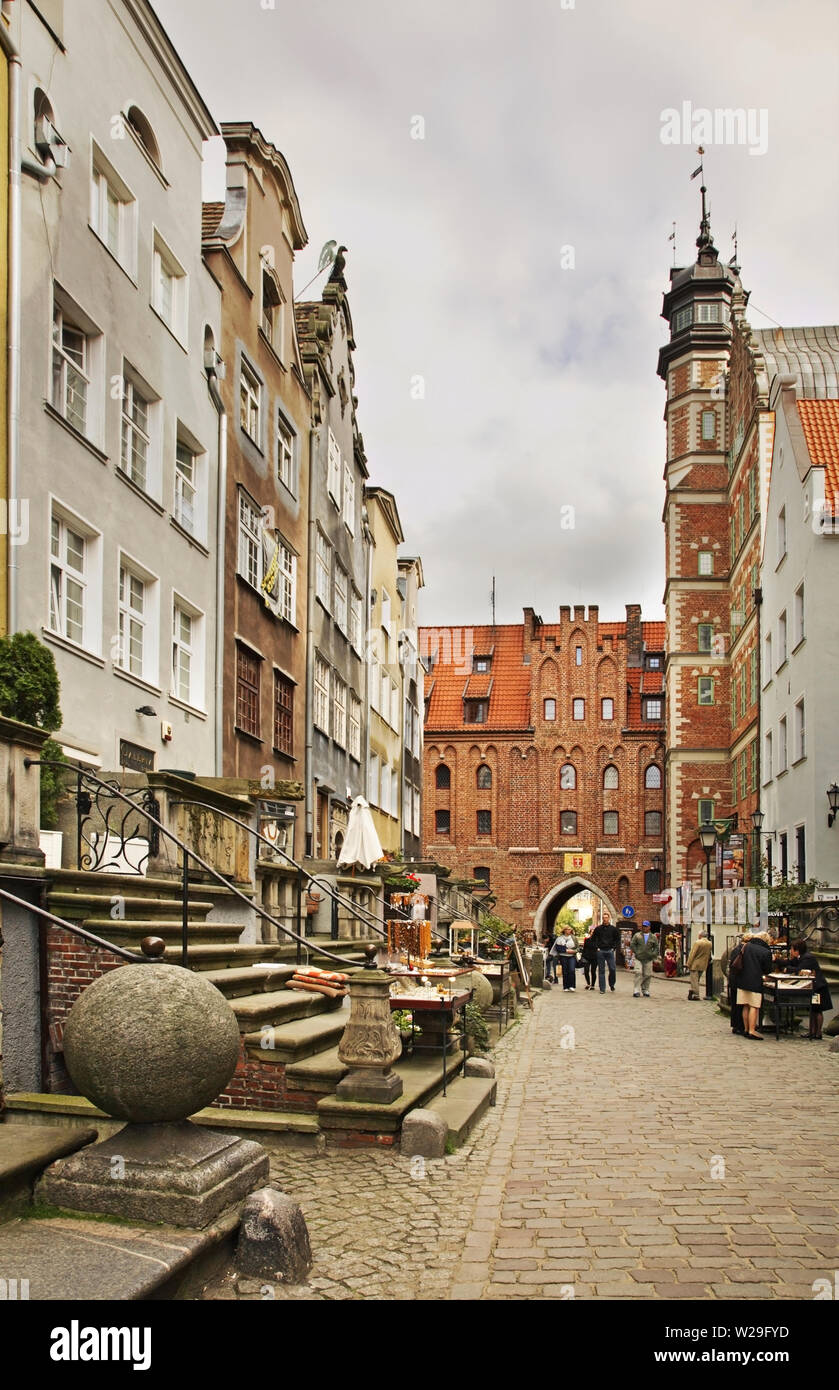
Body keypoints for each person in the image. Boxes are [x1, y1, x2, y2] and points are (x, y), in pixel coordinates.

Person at [790, 938, 833, 1040]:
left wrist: (788, 969)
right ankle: (812, 1031)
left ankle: (818, 1033)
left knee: (817, 1010)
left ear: (797, 950)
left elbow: (799, 970)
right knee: (813, 1010)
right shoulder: (801, 957)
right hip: (813, 987)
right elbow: (792, 963)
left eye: (792, 949)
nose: (791, 951)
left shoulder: (807, 958)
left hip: (818, 987)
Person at [735, 930, 774, 1040]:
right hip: (755, 981)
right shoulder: (765, 952)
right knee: (754, 1006)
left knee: (745, 1005)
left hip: (742, 980)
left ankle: (746, 1029)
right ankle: (752, 1030)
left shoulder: (746, 946)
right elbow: (767, 970)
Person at [592, 912, 621, 993]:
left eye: (606, 918)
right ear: (602, 919)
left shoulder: (613, 929)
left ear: (609, 919)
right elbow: (593, 939)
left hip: (609, 950)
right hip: (600, 951)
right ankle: (602, 988)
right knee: (601, 970)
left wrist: (613, 948)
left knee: (612, 968)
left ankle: (612, 984)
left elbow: (618, 939)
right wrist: (596, 947)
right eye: (604, 918)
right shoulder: (598, 929)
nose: (605, 919)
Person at [630, 920, 659, 998]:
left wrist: (653, 954)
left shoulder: (653, 937)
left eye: (646, 926)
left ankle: (645, 989)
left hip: (648, 958)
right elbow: (632, 944)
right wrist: (636, 952)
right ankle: (636, 989)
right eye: (643, 926)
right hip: (639, 958)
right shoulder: (637, 935)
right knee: (638, 972)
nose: (644, 928)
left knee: (647, 974)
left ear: (649, 927)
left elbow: (656, 947)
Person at [686, 931, 713, 1001]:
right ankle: (692, 992)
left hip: (695, 964)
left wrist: (688, 963)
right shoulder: (709, 943)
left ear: (700, 935)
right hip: (703, 964)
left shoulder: (698, 943)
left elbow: (692, 954)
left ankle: (695, 995)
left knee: (694, 980)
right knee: (697, 980)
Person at [556, 924, 578, 991]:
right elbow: (558, 948)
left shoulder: (573, 938)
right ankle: (565, 987)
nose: (569, 930)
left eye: (570, 929)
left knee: (571, 970)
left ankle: (572, 986)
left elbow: (578, 947)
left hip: (572, 956)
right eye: (568, 929)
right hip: (563, 956)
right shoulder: (560, 938)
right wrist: (566, 950)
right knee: (565, 971)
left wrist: (574, 951)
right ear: (564, 930)